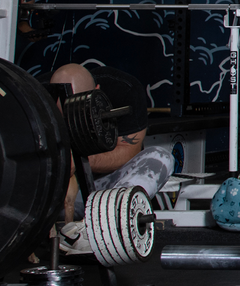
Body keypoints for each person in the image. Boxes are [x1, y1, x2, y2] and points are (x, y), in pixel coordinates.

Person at [50, 63, 173, 233]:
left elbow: (129, 151)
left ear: (97, 92)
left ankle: (106, 227)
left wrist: (78, 160)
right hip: (57, 197)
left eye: (77, 113)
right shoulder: (35, 94)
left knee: (161, 157)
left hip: (105, 192)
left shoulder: (124, 90)